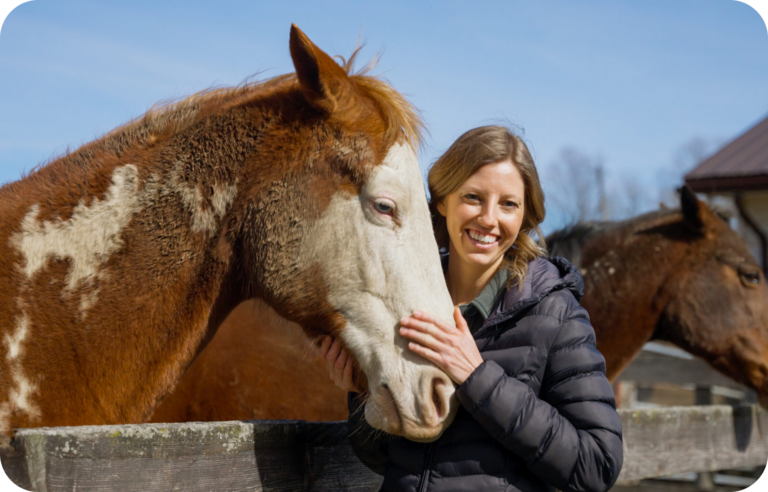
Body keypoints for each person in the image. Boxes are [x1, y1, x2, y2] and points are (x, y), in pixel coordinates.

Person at [317, 125, 623, 492]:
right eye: (474, 197)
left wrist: (477, 377)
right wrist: (361, 395)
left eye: (508, 204)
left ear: (525, 217)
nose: (489, 218)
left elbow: (597, 465)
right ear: (443, 201)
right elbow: (385, 460)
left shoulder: (556, 313)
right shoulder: (404, 304)